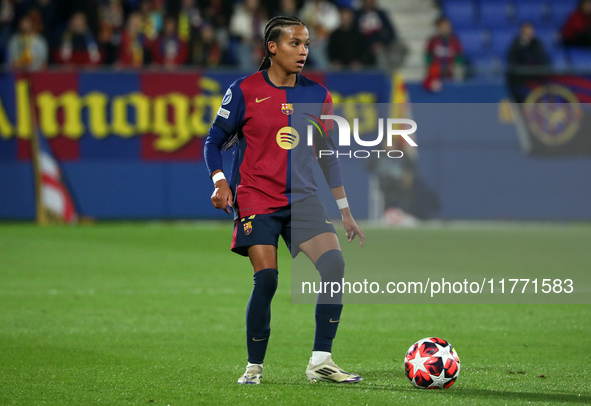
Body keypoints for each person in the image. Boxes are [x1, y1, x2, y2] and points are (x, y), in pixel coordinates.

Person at [204, 16, 365, 385]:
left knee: (334, 267)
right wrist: (219, 182)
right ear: (272, 48)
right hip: (256, 196)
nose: (304, 51)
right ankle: (254, 368)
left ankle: (321, 362)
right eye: (295, 43)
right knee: (268, 280)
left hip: (303, 199)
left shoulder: (318, 95)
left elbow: (327, 155)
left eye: (307, 44)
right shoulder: (244, 90)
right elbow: (213, 140)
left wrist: (345, 210)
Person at [423, 16, 464, 92]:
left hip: (450, 74)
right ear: (438, 28)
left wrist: (456, 67)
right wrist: (431, 67)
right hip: (435, 74)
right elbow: (427, 56)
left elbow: (459, 56)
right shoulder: (433, 41)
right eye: (443, 27)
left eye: (448, 26)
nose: (446, 29)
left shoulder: (455, 41)